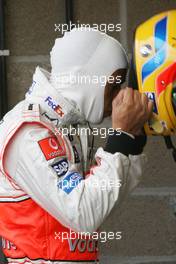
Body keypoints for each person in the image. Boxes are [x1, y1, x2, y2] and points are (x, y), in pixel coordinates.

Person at [0, 28, 152, 264]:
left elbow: (100, 201)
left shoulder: (65, 125)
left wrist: (132, 139)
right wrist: (120, 137)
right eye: (113, 86)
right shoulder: (30, 130)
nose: (117, 98)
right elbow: (82, 213)